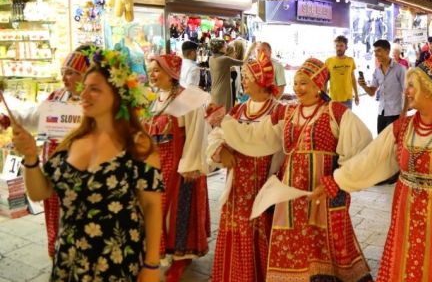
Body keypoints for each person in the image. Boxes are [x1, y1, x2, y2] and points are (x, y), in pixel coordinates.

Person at [311, 56, 432, 282]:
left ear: (431, 89)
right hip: (406, 211)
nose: (407, 92)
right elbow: (370, 160)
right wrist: (336, 181)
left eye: (412, 86)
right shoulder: (402, 128)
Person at [10, 48, 163, 281]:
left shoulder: (138, 145)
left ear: (118, 95)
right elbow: (40, 191)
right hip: (70, 260)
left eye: (95, 89)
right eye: (85, 88)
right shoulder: (71, 140)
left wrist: (151, 265)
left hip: (117, 262)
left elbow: (152, 207)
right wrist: (31, 157)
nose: (84, 95)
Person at [219, 58, 373, 281]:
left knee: (325, 245)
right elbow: (257, 136)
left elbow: (362, 145)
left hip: (323, 193)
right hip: (291, 196)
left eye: (304, 83)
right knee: (293, 245)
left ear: (318, 85)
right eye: (296, 83)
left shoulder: (335, 112)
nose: (298, 88)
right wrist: (225, 124)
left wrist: (338, 180)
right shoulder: (287, 112)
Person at [0, 47, 91, 259]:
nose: (64, 77)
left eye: (70, 72)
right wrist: (8, 119)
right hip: (53, 174)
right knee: (56, 219)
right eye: (63, 71)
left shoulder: (94, 102)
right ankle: (58, 258)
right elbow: (34, 116)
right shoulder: (57, 96)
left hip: (82, 177)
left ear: (86, 74)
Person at [206, 57, 282, 282]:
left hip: (263, 184)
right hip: (237, 185)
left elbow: (261, 141)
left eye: (248, 78)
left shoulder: (277, 111)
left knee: (257, 230)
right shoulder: (240, 108)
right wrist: (221, 150)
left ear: (262, 81)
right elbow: (217, 135)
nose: (244, 82)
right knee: (236, 228)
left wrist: (229, 129)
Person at [145, 54, 212, 282]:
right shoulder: (155, 98)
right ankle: (165, 252)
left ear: (171, 73)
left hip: (179, 161)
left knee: (179, 211)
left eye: (157, 70)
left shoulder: (187, 98)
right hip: (157, 163)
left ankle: (182, 257)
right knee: (159, 211)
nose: (153, 74)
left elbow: (196, 132)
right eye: (151, 70)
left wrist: (190, 163)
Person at [358, 39, 407, 133]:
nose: (376, 54)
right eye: (375, 51)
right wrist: (364, 85)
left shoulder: (400, 69)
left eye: (379, 50)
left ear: (387, 51)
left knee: (392, 143)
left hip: (396, 113)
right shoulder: (377, 71)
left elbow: (407, 92)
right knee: (380, 140)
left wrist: (404, 113)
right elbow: (372, 92)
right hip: (382, 112)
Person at [325, 35, 359, 108]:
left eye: (341, 46)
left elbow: (353, 79)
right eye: (337, 46)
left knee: (347, 119)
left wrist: (356, 95)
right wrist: (324, 97)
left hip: (348, 98)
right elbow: (325, 80)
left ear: (346, 47)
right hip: (334, 99)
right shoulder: (329, 61)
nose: (339, 48)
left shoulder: (350, 60)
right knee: (334, 119)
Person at [209, 39, 243, 112]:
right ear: (220, 48)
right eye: (225, 46)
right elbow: (243, 62)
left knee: (216, 115)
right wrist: (250, 51)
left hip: (214, 91)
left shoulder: (211, 58)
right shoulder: (225, 59)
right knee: (224, 114)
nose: (226, 47)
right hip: (223, 92)